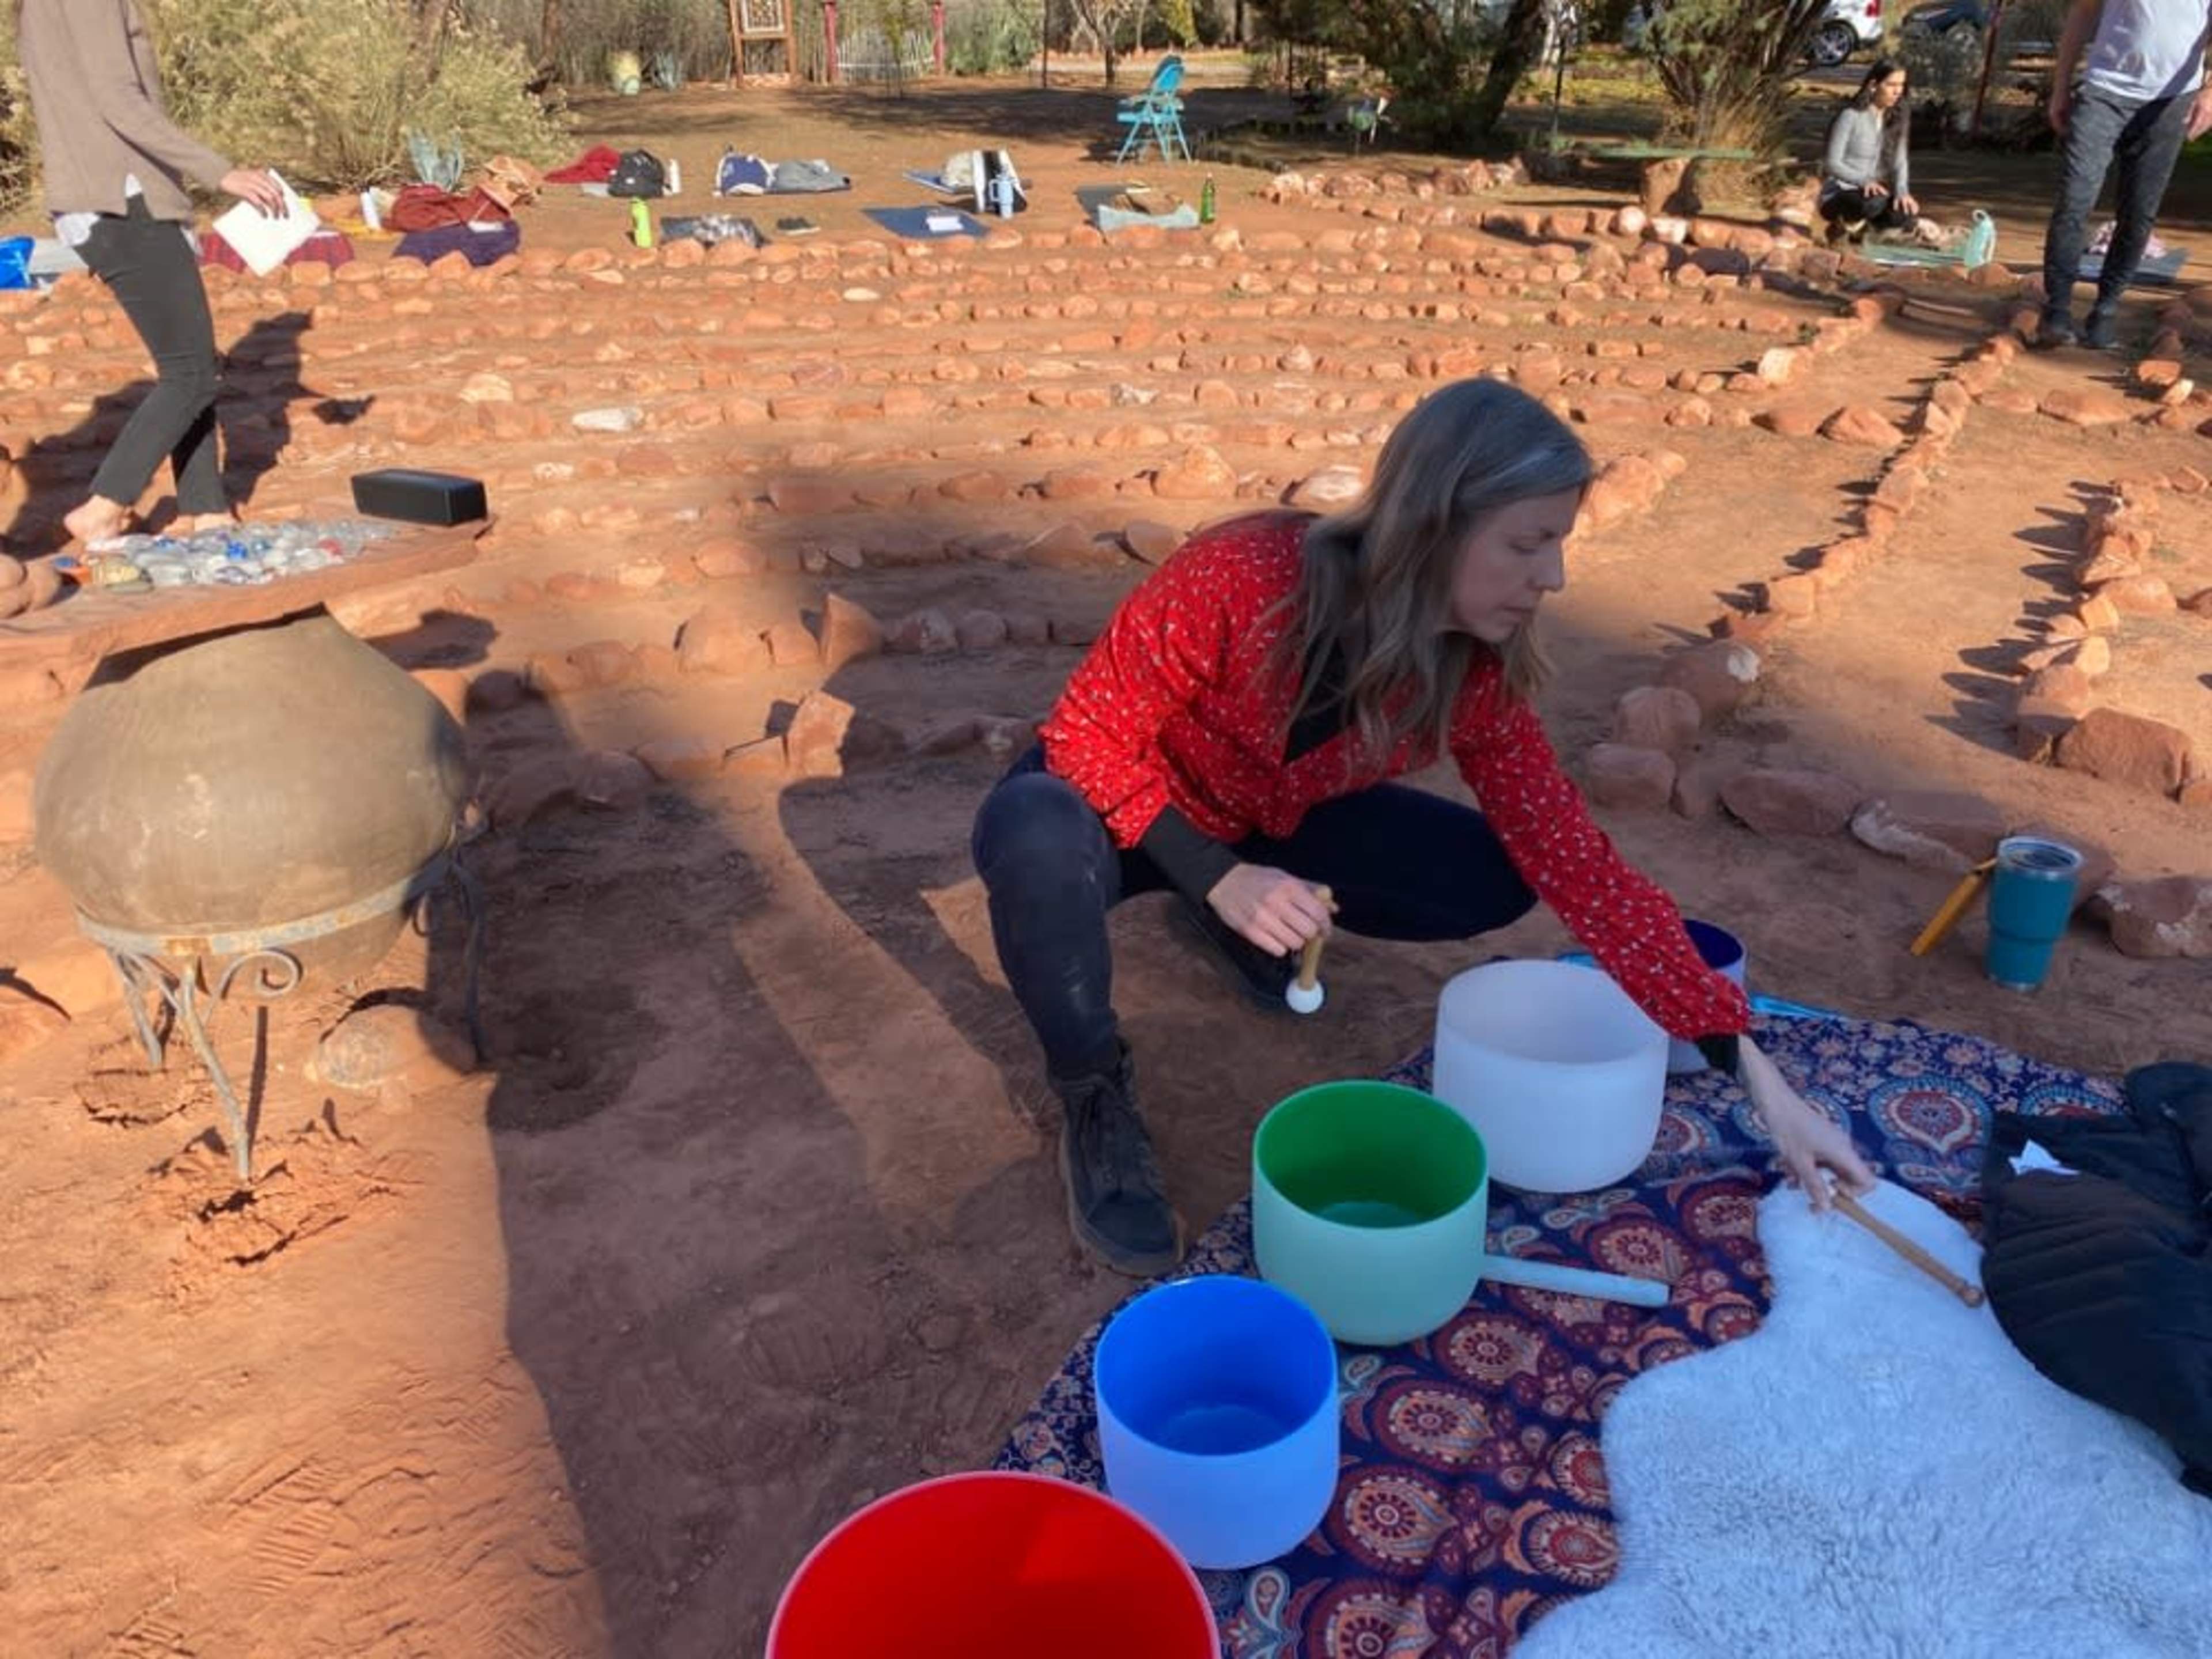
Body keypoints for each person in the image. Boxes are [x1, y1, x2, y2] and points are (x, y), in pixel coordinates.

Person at [971, 380, 1878, 1277]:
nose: (1554, 577)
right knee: (1032, 830)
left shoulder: (1474, 675)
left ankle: (1236, 916)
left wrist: (1761, 1081)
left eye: (1558, 543)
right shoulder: (1244, 577)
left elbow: (1580, 867)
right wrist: (1216, 874)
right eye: (1527, 543)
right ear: (1435, 521)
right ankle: (1093, 1088)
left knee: (1494, 873)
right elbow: (1083, 734)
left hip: (1265, 824)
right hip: (1131, 810)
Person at [15, 0, 285, 548]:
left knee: (190, 364)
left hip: (109, 200)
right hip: (123, 199)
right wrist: (221, 173)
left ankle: (206, 510)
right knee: (192, 373)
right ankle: (104, 507)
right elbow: (120, 102)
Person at [2037, 0, 2212, 351]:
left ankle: (2106, 309)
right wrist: (2060, 87)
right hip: (2103, 89)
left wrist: (2209, 92)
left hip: (2171, 100)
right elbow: (2082, 12)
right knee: (2075, 198)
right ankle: (2057, 309)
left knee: (2139, 212)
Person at [1820, 60, 1919, 246]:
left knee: (1904, 214)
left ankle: (1862, 231)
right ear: (1874, 85)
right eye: (1891, 85)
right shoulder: (1851, 116)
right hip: (1841, 192)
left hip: (1873, 195)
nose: (1897, 91)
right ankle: (1842, 227)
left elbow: (1900, 162)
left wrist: (1902, 191)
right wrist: (1863, 181)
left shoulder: (1898, 119)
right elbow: (1832, 164)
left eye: (1901, 85)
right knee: (1873, 203)